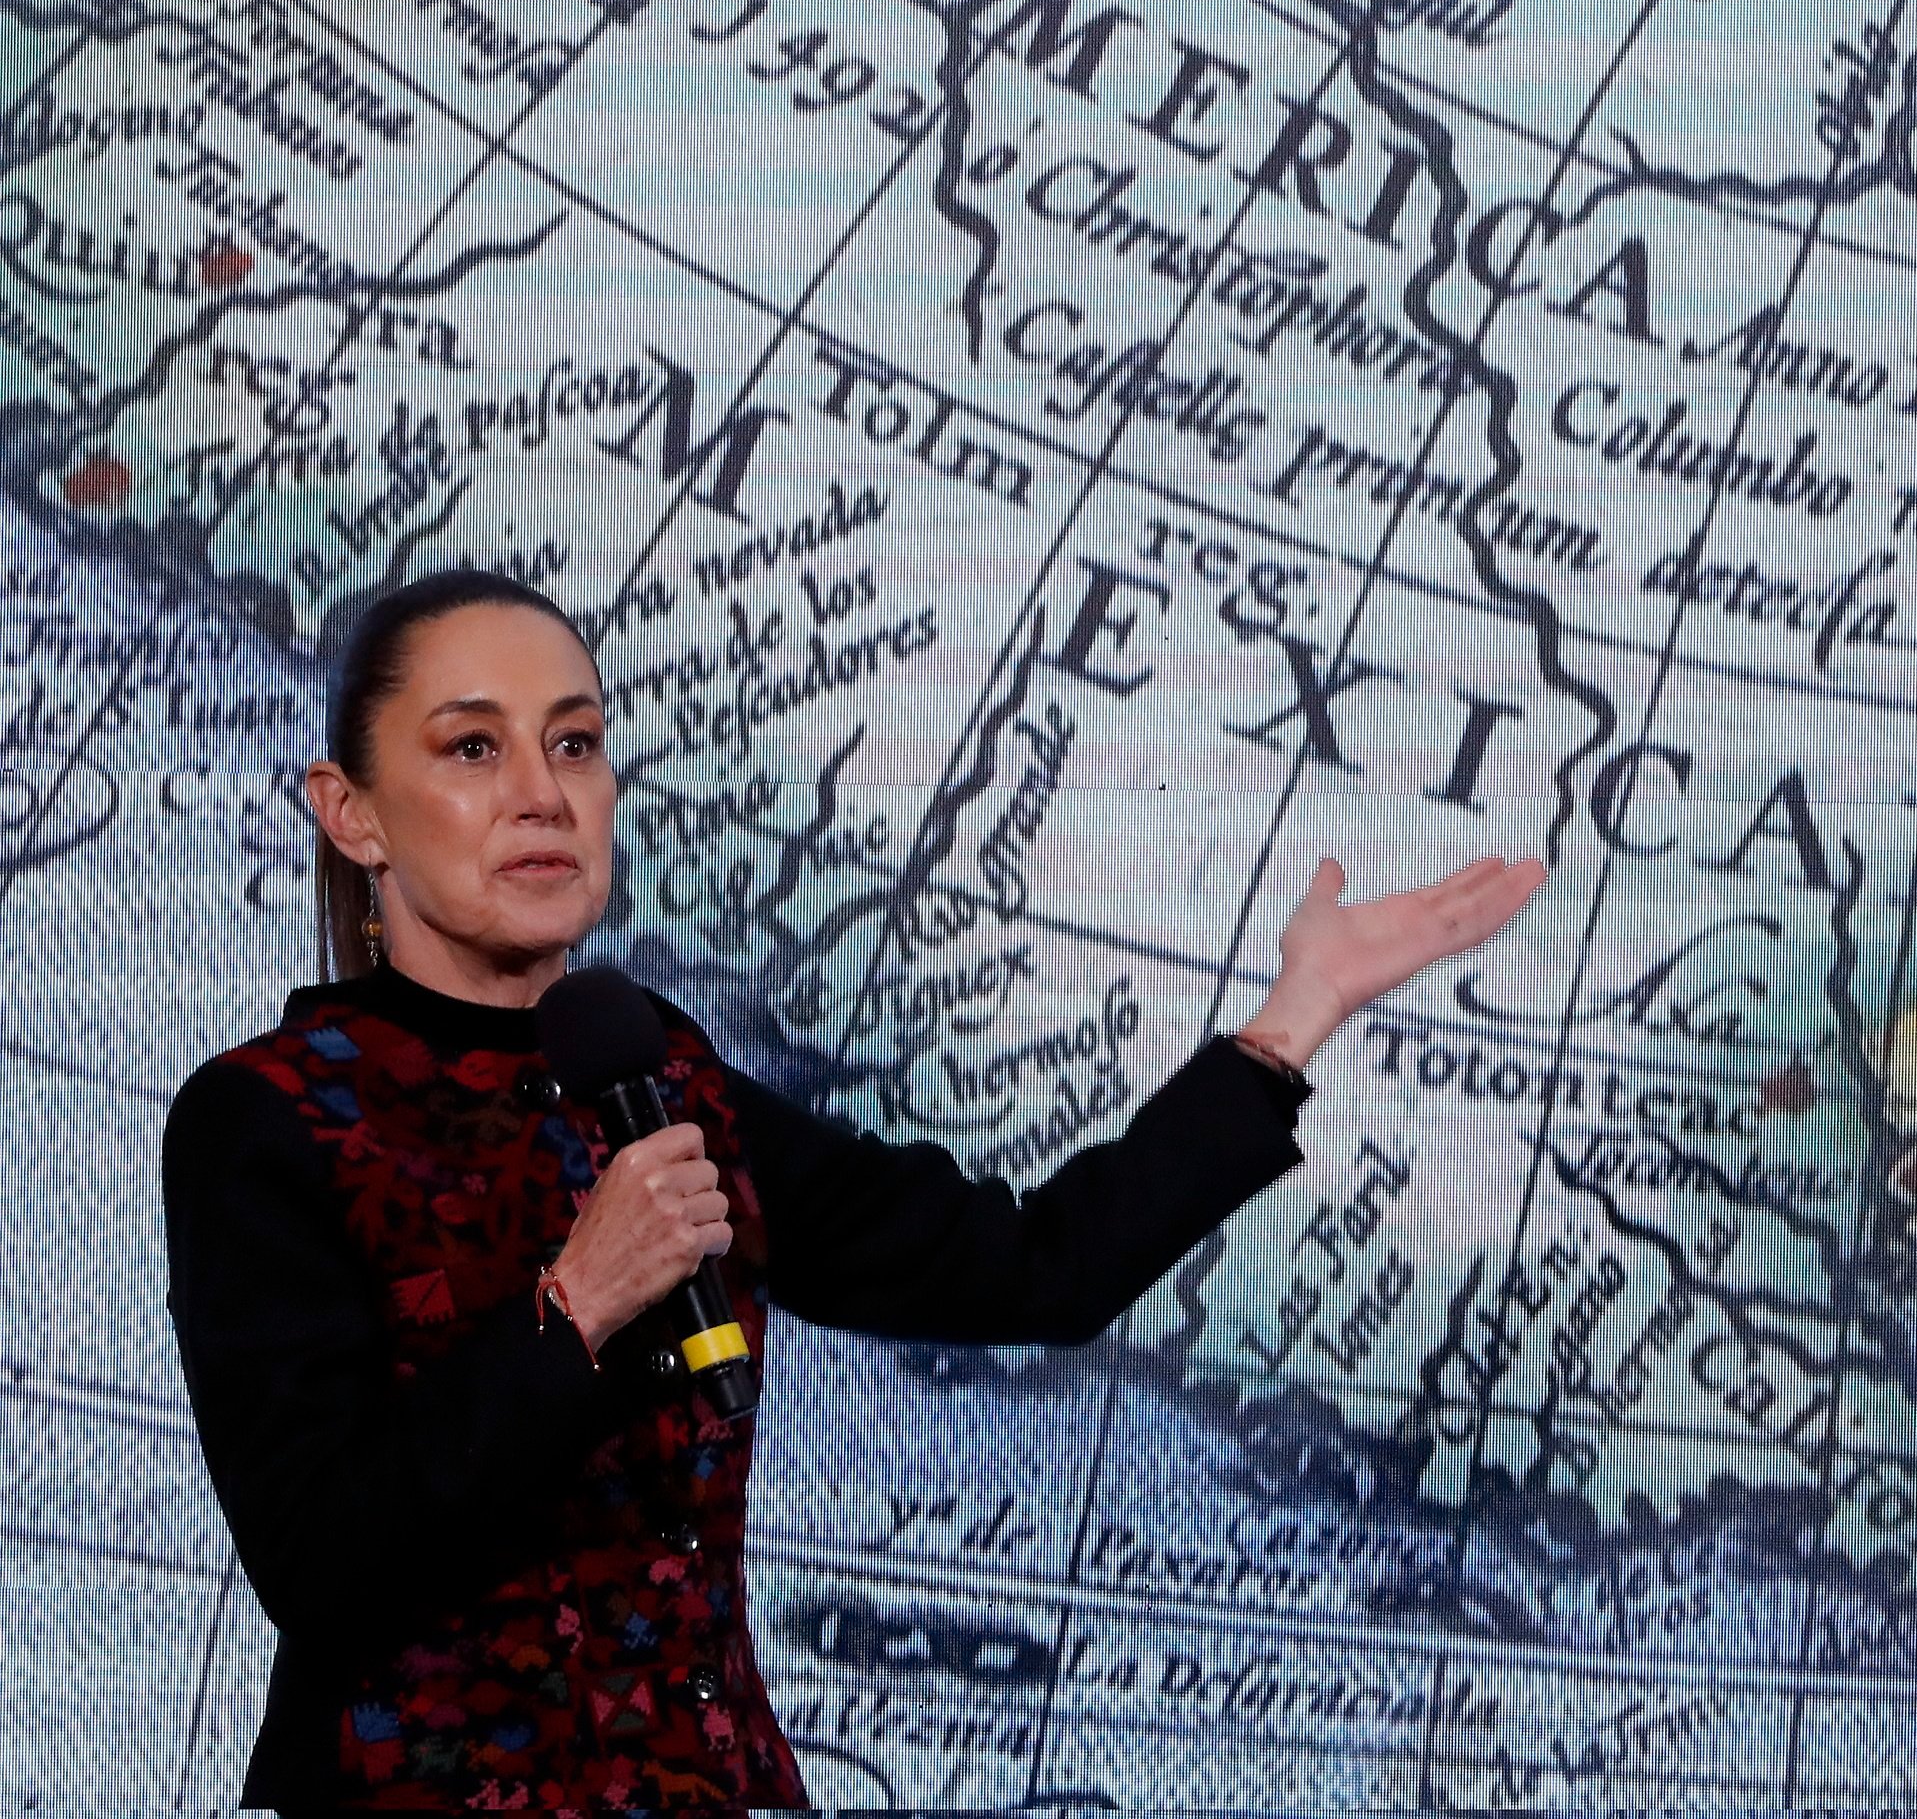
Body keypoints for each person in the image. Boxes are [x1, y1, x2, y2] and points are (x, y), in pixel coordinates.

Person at [159, 567, 1546, 1811]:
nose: (544, 791)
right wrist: (576, 1304)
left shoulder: (666, 1075)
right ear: (350, 813)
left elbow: (1032, 1272)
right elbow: (320, 1560)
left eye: (574, 742)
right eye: (474, 747)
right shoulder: (271, 1118)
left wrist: (1290, 1024)